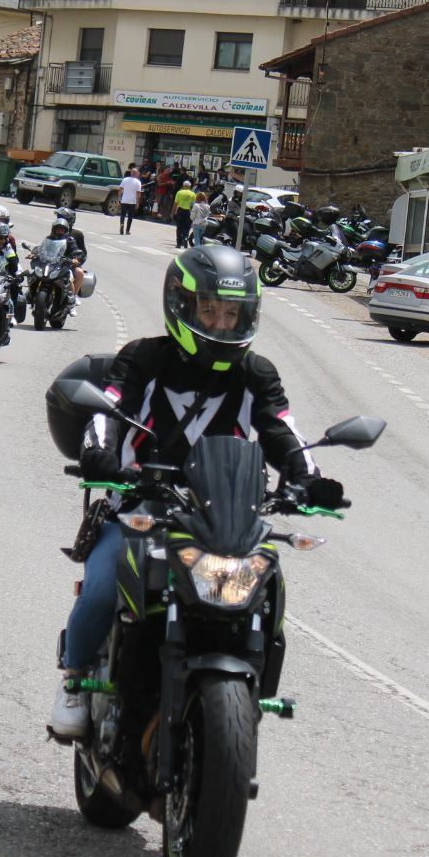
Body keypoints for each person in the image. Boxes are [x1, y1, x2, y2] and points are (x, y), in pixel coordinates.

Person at [48, 245, 344, 739]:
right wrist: (100, 454)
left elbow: (282, 432)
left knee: (267, 586)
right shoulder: (144, 359)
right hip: (141, 507)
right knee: (103, 583)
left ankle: (247, 689)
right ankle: (76, 682)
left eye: (232, 312)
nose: (222, 322)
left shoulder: (256, 374)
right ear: (182, 307)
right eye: (210, 309)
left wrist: (309, 478)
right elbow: (109, 411)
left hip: (224, 516)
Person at [172, 177, 197, 248]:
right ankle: (185, 237)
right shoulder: (193, 194)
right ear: (189, 186)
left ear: (183, 186)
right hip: (189, 212)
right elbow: (193, 205)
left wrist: (173, 212)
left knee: (179, 227)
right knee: (187, 227)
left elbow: (175, 203)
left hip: (180, 211)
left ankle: (178, 243)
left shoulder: (179, 192)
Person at [117, 165, 142, 235]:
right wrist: (138, 203)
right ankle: (127, 230)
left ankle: (122, 224)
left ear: (131, 173)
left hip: (124, 200)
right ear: (136, 174)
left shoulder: (125, 179)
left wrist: (119, 199)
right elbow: (138, 193)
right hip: (132, 201)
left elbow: (120, 190)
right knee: (130, 216)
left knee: (122, 214)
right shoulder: (138, 182)